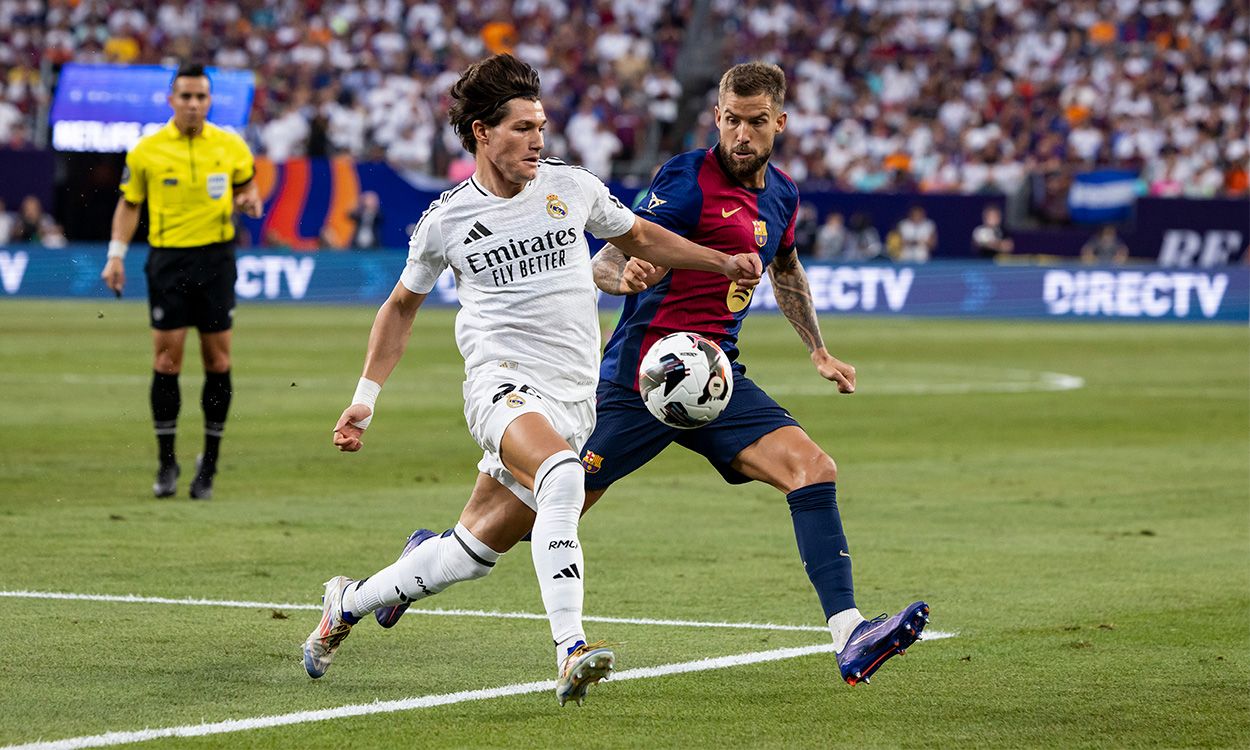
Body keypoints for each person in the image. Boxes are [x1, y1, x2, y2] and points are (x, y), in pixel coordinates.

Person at [301, 54, 761, 707]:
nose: (537, 140)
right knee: (564, 476)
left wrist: (719, 261)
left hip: (574, 397)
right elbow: (400, 306)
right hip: (501, 386)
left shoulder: (571, 187)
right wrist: (363, 400)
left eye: (541, 126)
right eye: (521, 128)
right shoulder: (448, 220)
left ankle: (344, 606)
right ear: (482, 133)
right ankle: (570, 648)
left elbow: (644, 238)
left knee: (467, 555)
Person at [583, 62, 929, 687]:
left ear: (780, 123)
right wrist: (624, 276)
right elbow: (606, 261)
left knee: (813, 468)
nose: (742, 134)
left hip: (715, 378)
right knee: (543, 514)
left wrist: (818, 351)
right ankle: (425, 565)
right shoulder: (685, 181)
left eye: (756, 122)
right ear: (717, 117)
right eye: (732, 121)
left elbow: (787, 270)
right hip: (642, 379)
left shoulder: (783, 195)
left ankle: (849, 635)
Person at [100, 63, 264, 500]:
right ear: (171, 100)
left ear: (209, 101)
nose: (193, 104)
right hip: (168, 261)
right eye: (186, 96)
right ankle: (166, 462)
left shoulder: (231, 146)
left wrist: (249, 201)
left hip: (215, 259)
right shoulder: (146, 151)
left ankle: (208, 465)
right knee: (167, 361)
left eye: (201, 97)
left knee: (219, 361)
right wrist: (115, 255)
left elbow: (250, 191)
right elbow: (130, 204)